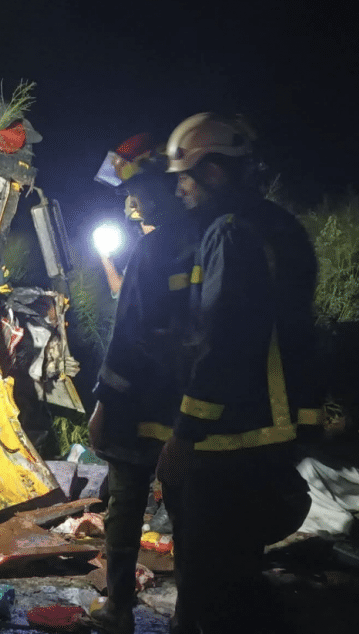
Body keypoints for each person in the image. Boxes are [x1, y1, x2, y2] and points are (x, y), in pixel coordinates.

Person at [156, 113, 321, 634]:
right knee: (242, 573)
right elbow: (302, 332)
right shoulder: (280, 225)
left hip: (230, 438)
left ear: (215, 173)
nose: (180, 188)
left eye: (186, 175)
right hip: (274, 431)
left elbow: (223, 340)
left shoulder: (229, 233)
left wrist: (185, 432)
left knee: (213, 585)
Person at [86, 166, 202, 634]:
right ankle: (188, 617)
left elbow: (128, 332)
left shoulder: (155, 248)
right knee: (187, 512)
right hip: (190, 407)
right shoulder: (209, 240)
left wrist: (103, 403)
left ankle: (118, 611)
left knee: (126, 506)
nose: (132, 205)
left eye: (136, 193)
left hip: (139, 403)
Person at [93, 133, 167, 296]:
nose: (132, 202)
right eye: (128, 191)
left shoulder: (176, 242)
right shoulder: (146, 247)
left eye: (133, 189)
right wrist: (106, 258)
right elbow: (121, 291)